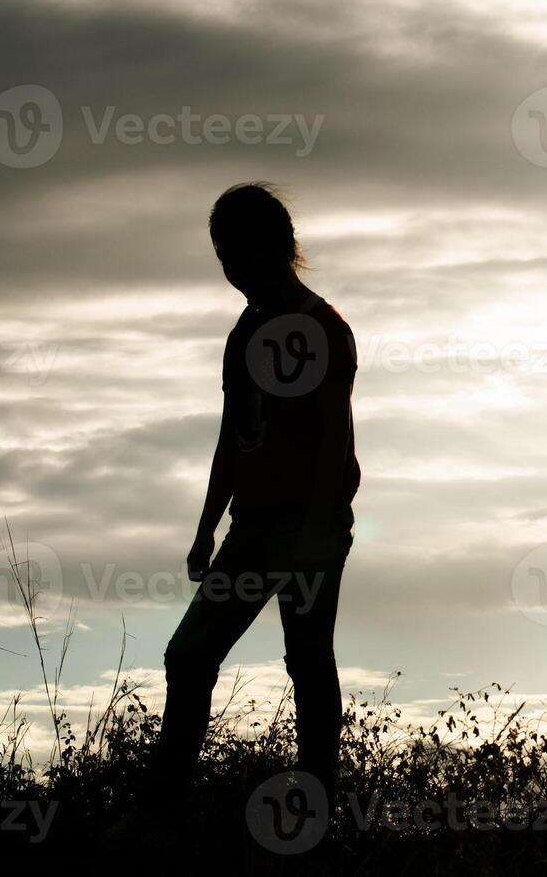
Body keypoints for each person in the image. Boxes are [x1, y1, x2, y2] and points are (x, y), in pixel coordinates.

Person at [134, 182, 360, 826]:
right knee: (190, 655)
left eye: (243, 256)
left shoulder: (322, 328)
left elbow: (334, 440)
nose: (234, 273)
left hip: (309, 526)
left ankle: (314, 818)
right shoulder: (247, 329)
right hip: (254, 527)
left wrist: (317, 531)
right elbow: (233, 434)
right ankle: (159, 813)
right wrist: (206, 527)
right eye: (224, 259)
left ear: (280, 249)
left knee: (308, 662)